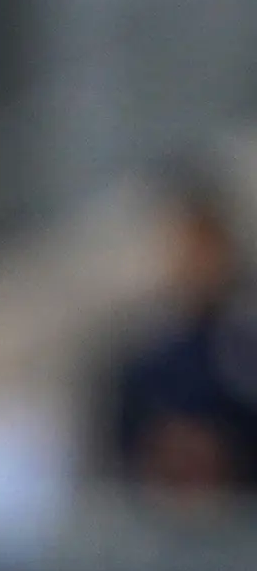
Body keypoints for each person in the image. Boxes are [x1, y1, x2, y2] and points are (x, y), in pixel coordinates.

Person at [102, 165, 257, 503]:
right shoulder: (143, 358)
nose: (196, 261)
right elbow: (119, 452)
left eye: (206, 245)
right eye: (185, 246)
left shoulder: (243, 345)